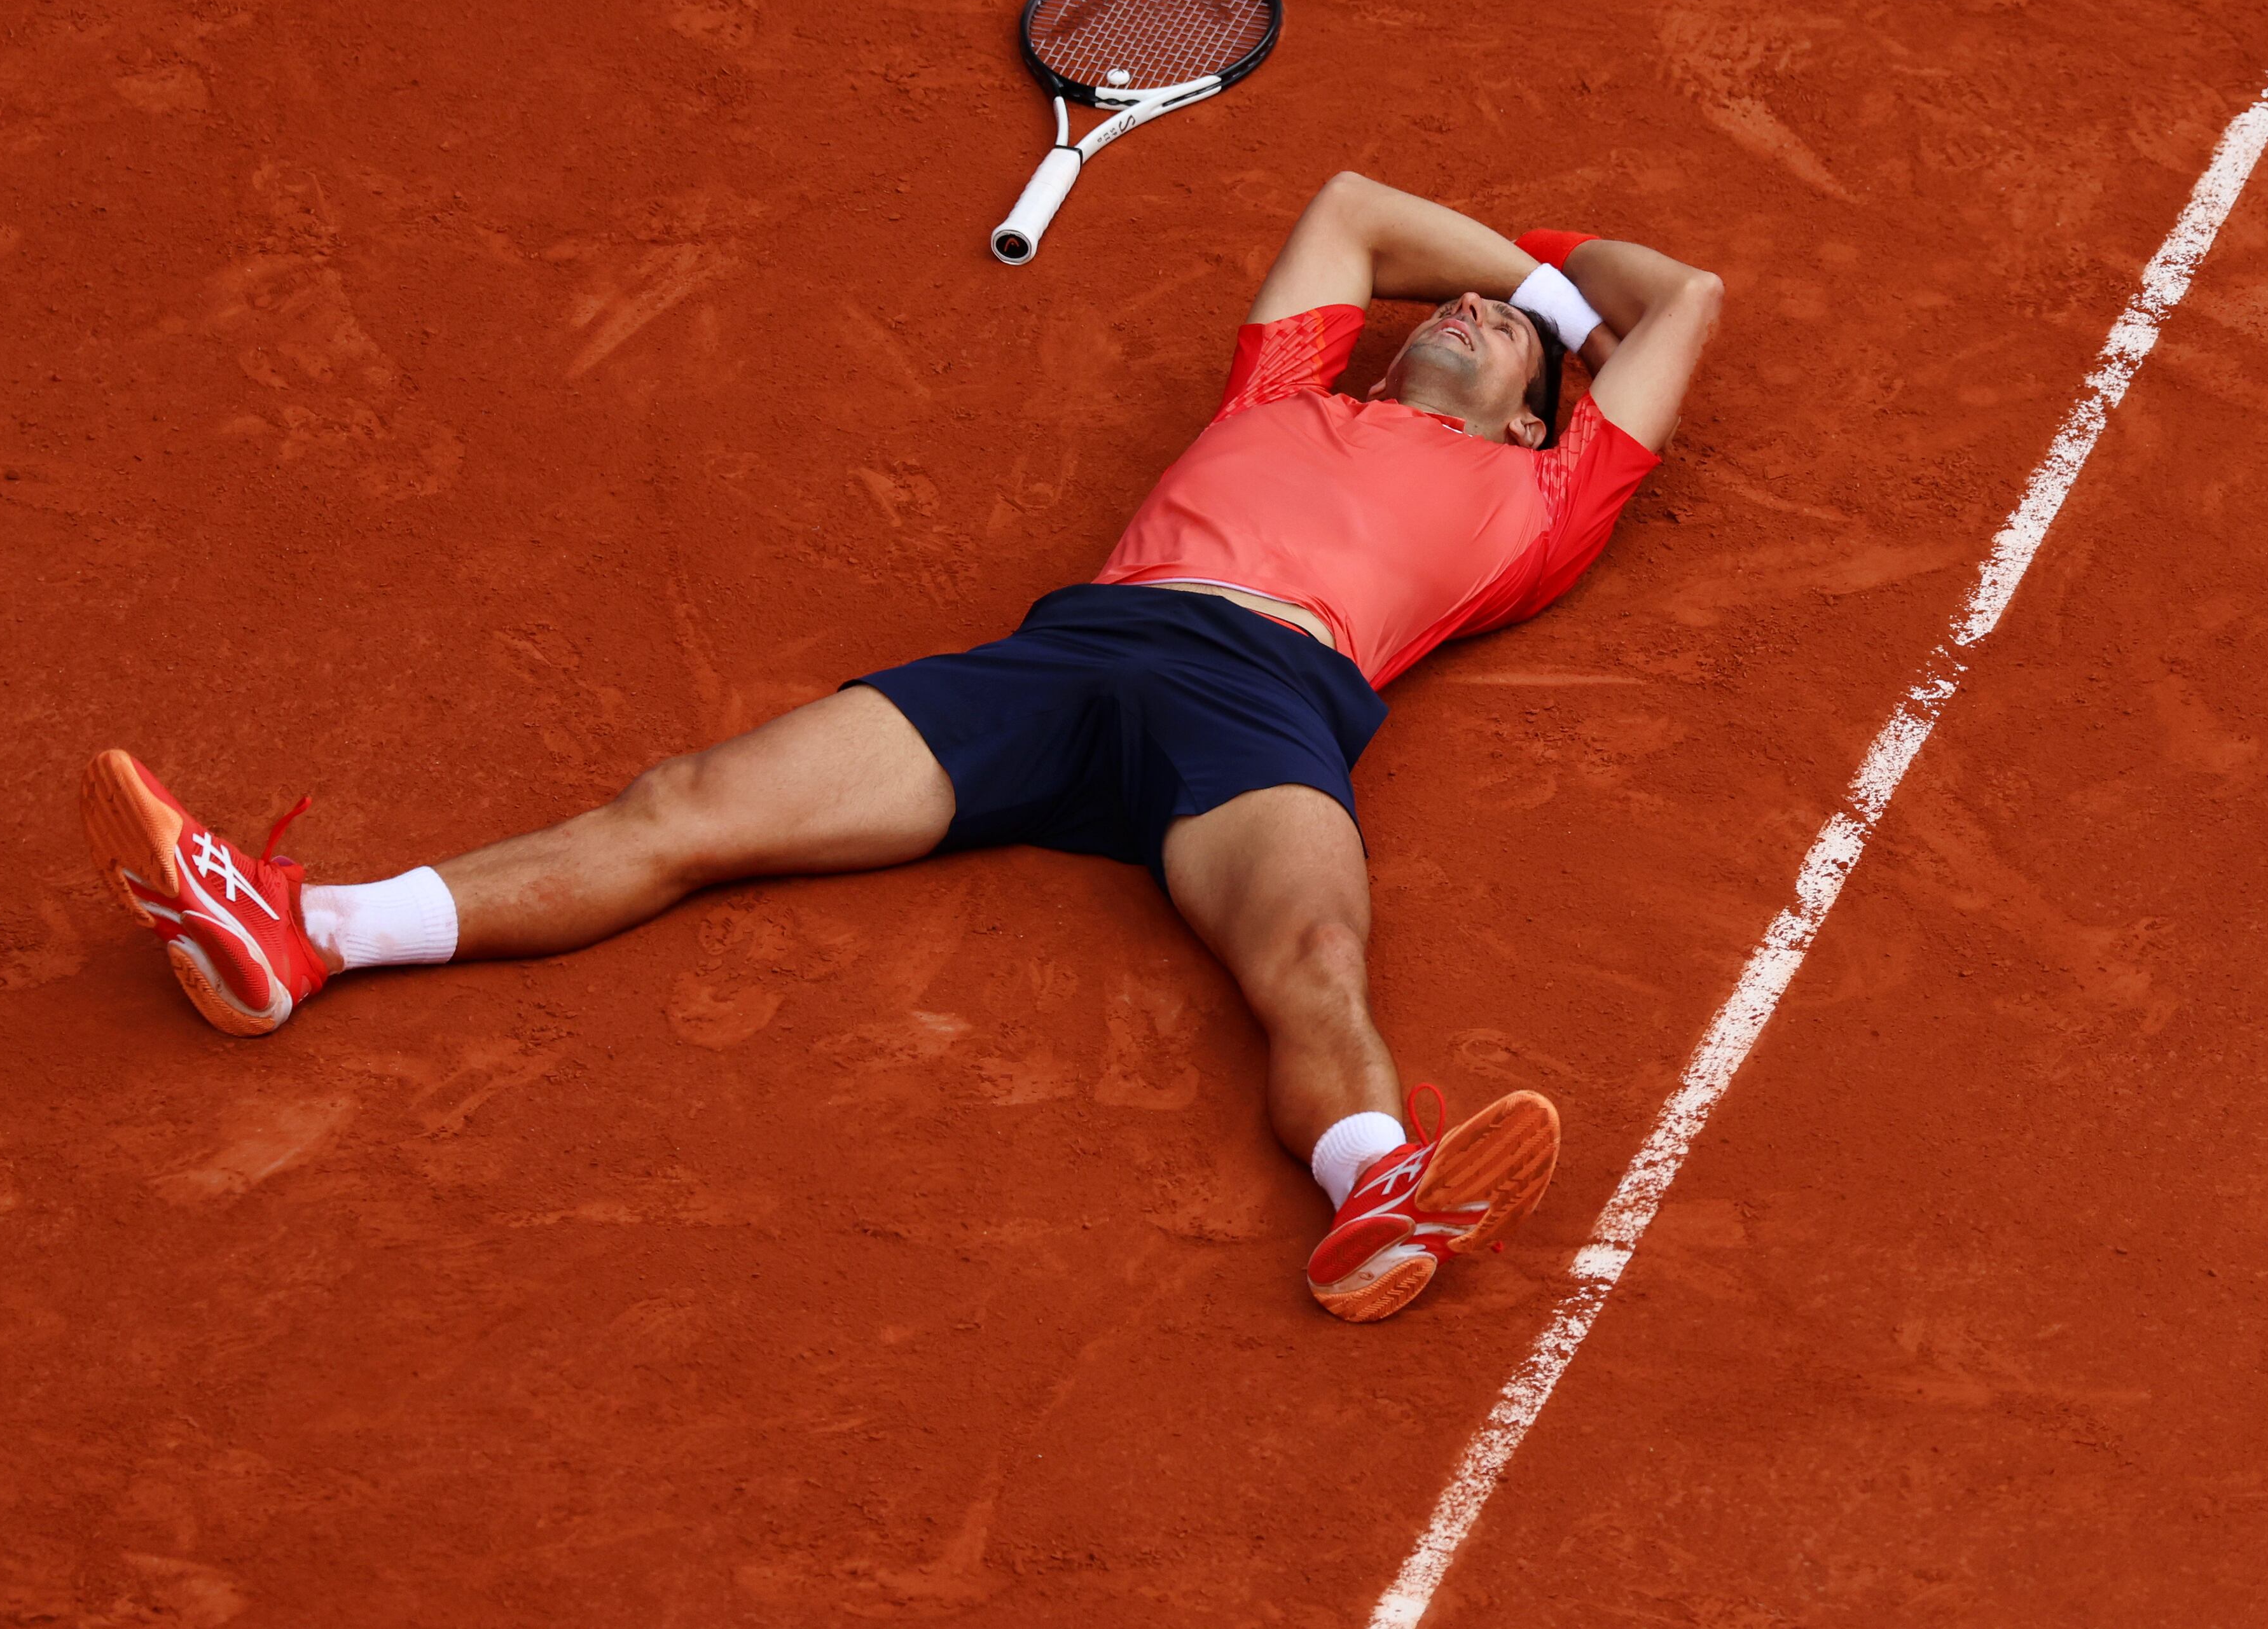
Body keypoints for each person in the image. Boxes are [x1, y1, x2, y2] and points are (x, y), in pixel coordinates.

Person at [83, 172, 1723, 1324]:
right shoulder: (1286, 388)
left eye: (1518, 339)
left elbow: (1691, 298)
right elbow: (1359, 207)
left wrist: (1569, 312)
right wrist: (1542, 295)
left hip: (1265, 704)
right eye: (1473, 307)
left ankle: (1375, 1192)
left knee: (1312, 951)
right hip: (1069, 656)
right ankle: (310, 933)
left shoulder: (1545, 500)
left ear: (1539, 422)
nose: (1485, 315)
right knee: (690, 805)